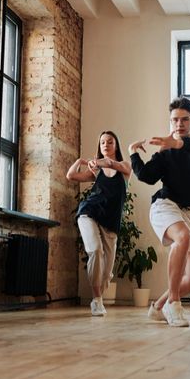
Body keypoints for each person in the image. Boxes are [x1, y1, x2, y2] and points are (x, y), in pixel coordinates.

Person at [129, 97, 190, 327]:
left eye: (185, 119)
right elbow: (146, 176)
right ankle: (174, 304)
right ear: (171, 121)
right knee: (182, 236)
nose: (180, 124)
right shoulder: (165, 154)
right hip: (165, 205)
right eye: (175, 120)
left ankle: (158, 306)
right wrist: (133, 153)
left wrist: (176, 144)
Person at [66, 131, 131, 317]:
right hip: (89, 213)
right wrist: (80, 161)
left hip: (111, 222)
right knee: (95, 250)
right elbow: (71, 176)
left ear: (116, 145)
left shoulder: (125, 168)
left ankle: (99, 295)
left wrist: (99, 162)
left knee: (106, 271)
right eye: (102, 142)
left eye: (110, 141)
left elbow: (111, 163)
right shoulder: (96, 169)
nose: (105, 144)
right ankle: (97, 301)